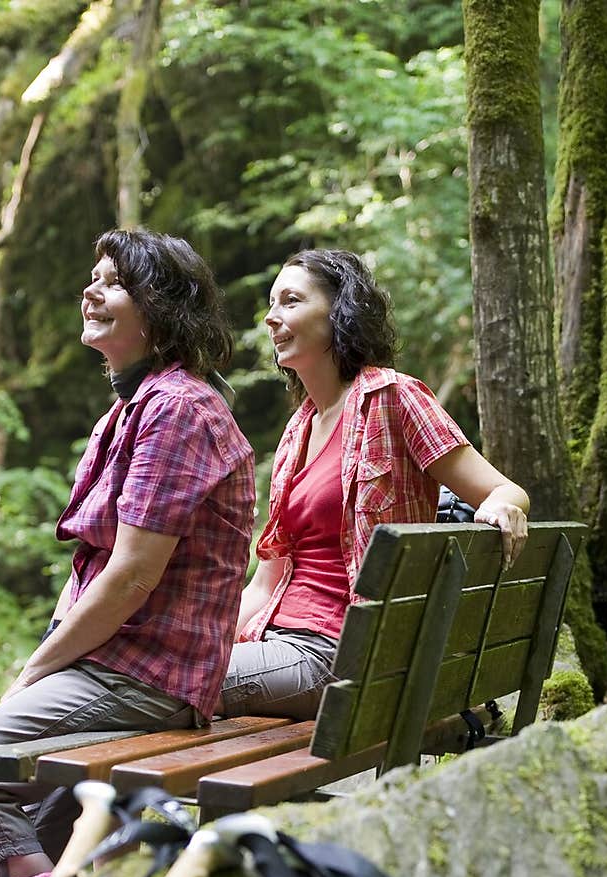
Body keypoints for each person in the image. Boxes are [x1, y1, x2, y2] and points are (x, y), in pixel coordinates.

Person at [0, 227, 255, 877]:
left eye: (113, 282)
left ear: (159, 307)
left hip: (143, 677)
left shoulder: (178, 408)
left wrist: (33, 673)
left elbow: (130, 577)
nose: (90, 292)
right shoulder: (132, 409)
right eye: (92, 280)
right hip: (115, 670)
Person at [219, 248, 530, 721]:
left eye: (290, 301)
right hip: (275, 643)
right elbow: (265, 585)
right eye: (271, 303)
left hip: (343, 652)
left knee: (174, 683)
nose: (271, 316)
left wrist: (505, 506)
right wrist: (196, 640)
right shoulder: (296, 431)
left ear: (339, 310)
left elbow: (503, 490)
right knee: (164, 673)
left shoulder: (393, 396)